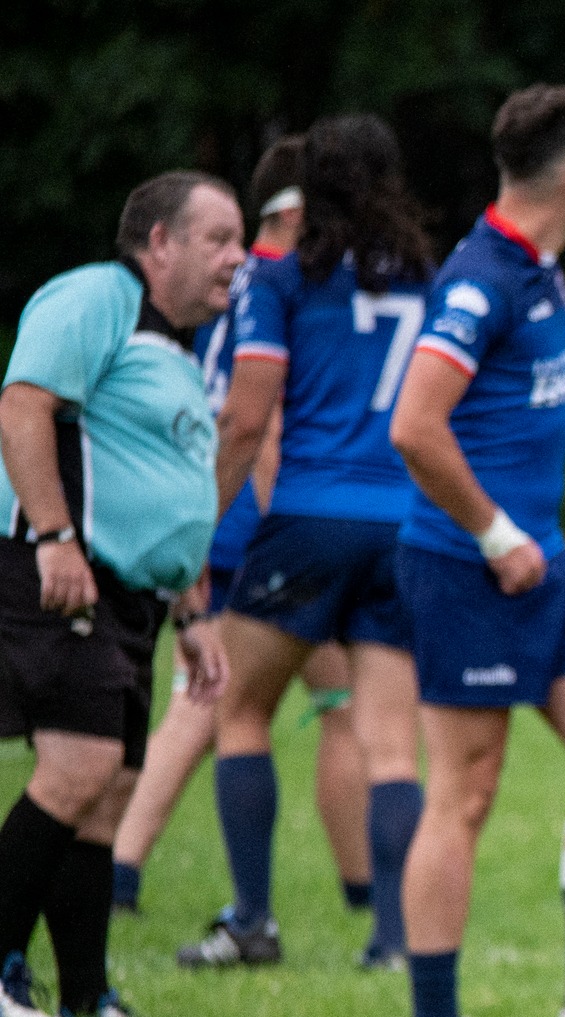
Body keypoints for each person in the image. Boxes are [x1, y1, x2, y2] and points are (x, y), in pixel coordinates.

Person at [388, 84, 565, 1017]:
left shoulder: (546, 272)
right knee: (465, 789)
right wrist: (495, 534)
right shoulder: (481, 280)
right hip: (469, 564)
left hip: (547, 563)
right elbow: (414, 426)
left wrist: (526, 540)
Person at [175, 112, 431, 972]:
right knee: (390, 740)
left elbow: (247, 419)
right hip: (403, 525)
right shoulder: (425, 279)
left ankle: (252, 920)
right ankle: (392, 939)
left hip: (309, 519)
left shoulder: (279, 278)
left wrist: (194, 534)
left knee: (240, 709)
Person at [0, 171, 240, 1017]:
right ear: (159, 242)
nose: (237, 259)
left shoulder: (176, 344)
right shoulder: (98, 298)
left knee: (111, 788)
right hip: (63, 572)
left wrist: (192, 610)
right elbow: (22, 405)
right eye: (219, 239)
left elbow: (167, 489)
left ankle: (85, 991)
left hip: (137, 595)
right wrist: (54, 535)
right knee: (80, 767)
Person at [112, 140, 375, 920]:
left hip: (232, 522)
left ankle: (124, 871)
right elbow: (262, 424)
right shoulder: (280, 282)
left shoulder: (230, 282)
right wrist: (262, 525)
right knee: (262, 704)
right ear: (297, 210)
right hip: (258, 530)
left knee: (240, 704)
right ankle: (361, 898)